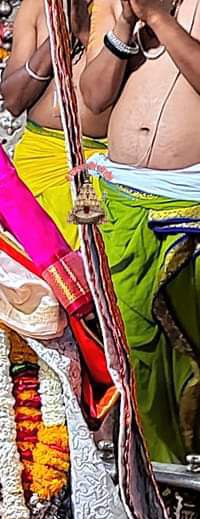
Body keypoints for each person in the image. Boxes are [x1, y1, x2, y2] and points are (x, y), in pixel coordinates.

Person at [80, 0, 200, 464]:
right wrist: (126, 24)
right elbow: (92, 97)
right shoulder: (118, 5)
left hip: (188, 206)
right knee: (127, 352)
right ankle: (143, 474)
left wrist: (159, 19)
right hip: (122, 200)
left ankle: (182, 481)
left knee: (183, 359)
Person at [1, 0, 111, 247]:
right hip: (35, 161)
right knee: (30, 268)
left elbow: (101, 97)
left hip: (97, 165)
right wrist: (58, 36)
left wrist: (83, 33)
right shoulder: (36, 7)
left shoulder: (123, 8)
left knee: (89, 270)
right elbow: (13, 100)